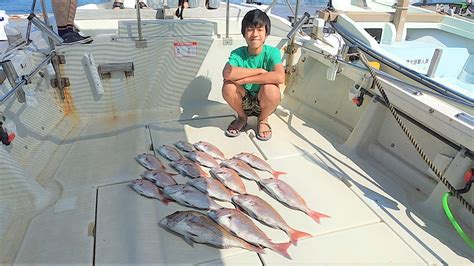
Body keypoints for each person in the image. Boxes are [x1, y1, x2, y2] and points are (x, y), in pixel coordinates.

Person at [222, 9, 284, 141]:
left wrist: (245, 80)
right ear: (244, 33)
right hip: (243, 101)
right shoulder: (238, 53)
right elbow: (227, 73)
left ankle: (262, 120)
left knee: (271, 89)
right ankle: (242, 117)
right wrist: (260, 71)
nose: (255, 34)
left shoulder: (272, 52)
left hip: (264, 102)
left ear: (266, 33)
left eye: (260, 29)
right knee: (228, 87)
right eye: (250, 29)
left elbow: (279, 77)